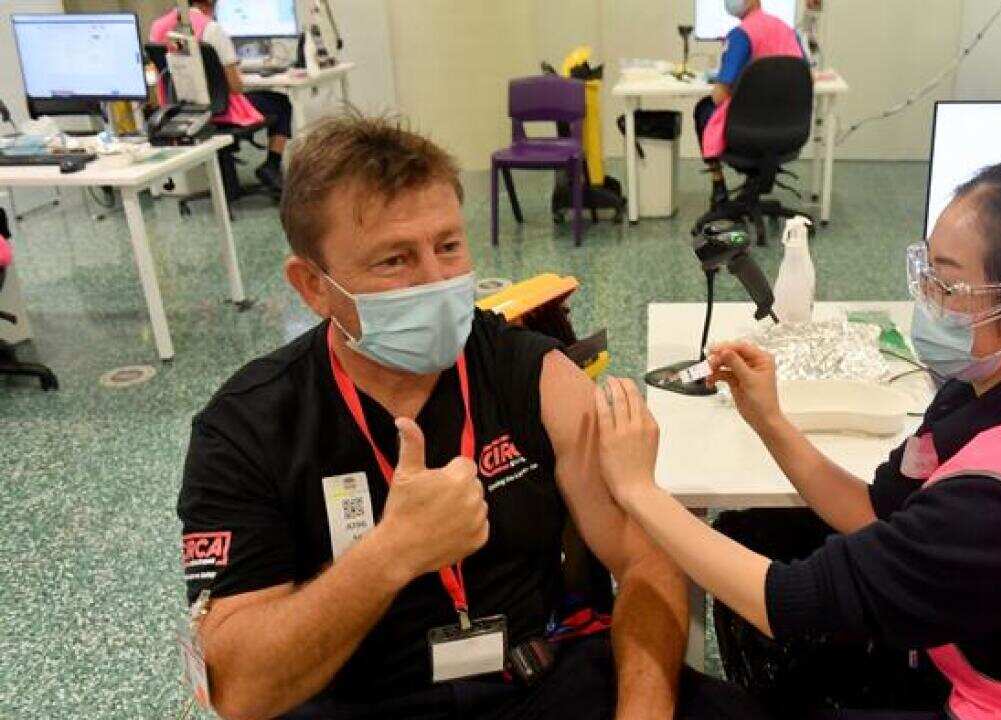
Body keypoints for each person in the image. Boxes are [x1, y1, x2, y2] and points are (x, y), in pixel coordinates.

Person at [592, 157, 1001, 719]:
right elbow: (873, 514)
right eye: (926, 269)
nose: (926, 299)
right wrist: (770, 420)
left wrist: (640, 490)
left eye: (948, 284)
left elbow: (784, 604)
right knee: (761, 536)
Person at [177, 115, 769, 720]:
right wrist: (389, 556)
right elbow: (239, 689)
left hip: (539, 680)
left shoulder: (534, 374)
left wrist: (642, 711)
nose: (437, 281)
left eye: (448, 247)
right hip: (363, 700)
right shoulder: (247, 428)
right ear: (313, 286)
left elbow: (646, 557)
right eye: (394, 261)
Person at [150, 0, 293, 192]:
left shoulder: (158, 27)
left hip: (182, 112)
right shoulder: (211, 29)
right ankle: (271, 166)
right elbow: (235, 87)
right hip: (221, 112)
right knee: (281, 102)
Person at [693, 0, 805, 209]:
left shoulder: (741, 35)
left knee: (703, 109)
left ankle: (719, 188)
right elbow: (807, 77)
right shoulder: (789, 32)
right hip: (788, 130)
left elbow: (720, 95)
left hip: (746, 133)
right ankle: (754, 178)